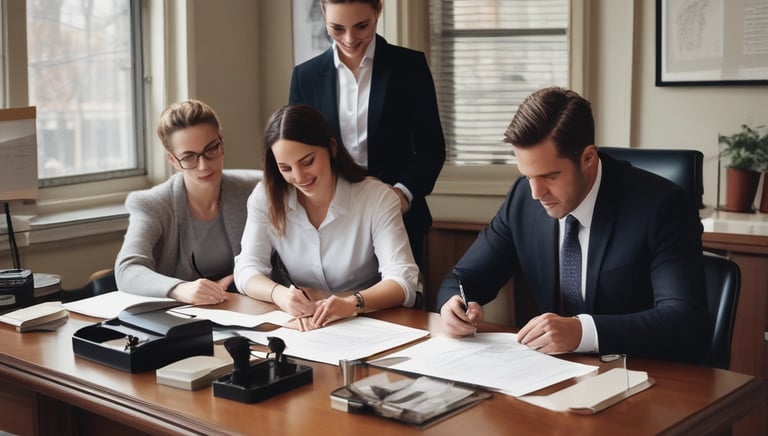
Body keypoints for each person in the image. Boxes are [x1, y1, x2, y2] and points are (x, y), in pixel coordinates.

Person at [437, 87, 710, 363]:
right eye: (528, 175)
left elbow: (683, 318)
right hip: (553, 374)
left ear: (589, 159)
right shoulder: (523, 198)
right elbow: (462, 278)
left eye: (550, 176)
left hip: (645, 374)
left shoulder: (661, 205)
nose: (536, 193)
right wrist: (453, 307)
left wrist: (583, 332)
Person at [234, 104, 419, 330]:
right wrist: (279, 294)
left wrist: (351, 303)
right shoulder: (266, 197)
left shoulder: (376, 198)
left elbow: (403, 280)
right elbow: (246, 268)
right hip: (308, 326)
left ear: (331, 148)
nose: (299, 177)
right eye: (286, 168)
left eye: (307, 162)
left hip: (372, 320)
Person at [289, 0, 446, 266]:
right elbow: (295, 149)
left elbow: (432, 148)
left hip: (399, 217)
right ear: (324, 13)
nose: (349, 39)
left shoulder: (409, 67)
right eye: (337, 28)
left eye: (362, 26)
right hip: (330, 221)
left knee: (402, 304)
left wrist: (401, 194)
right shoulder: (306, 76)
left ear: (378, 10)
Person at [115, 99, 260, 305]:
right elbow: (127, 270)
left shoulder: (254, 189)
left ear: (222, 142)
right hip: (182, 317)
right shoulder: (152, 204)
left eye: (211, 149)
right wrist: (179, 289)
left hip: (244, 307)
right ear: (173, 160)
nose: (203, 165)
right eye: (189, 157)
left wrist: (237, 278)